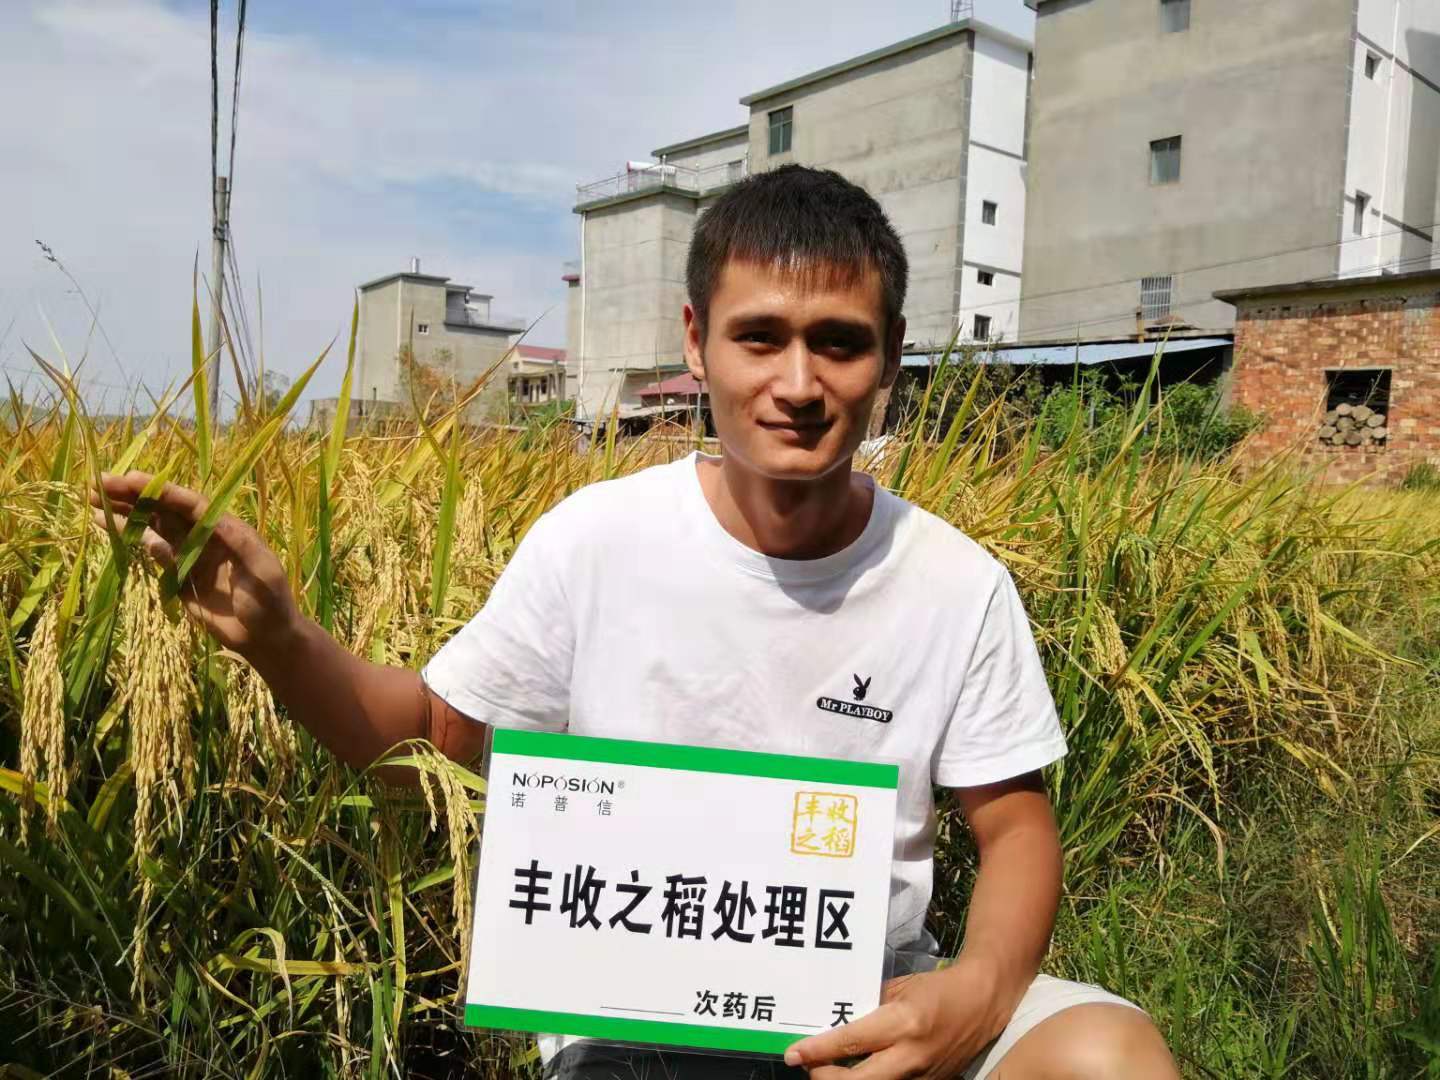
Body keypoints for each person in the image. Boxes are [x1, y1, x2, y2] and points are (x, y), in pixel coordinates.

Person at [93, 165, 1180, 1080]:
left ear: (891, 353)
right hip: (635, 1027)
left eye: (840, 344)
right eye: (760, 337)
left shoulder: (955, 582)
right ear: (697, 342)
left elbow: (1014, 826)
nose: (799, 383)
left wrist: (975, 992)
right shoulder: (596, 541)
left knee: (1109, 1057)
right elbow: (428, 736)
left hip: (877, 1008)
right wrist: (284, 642)